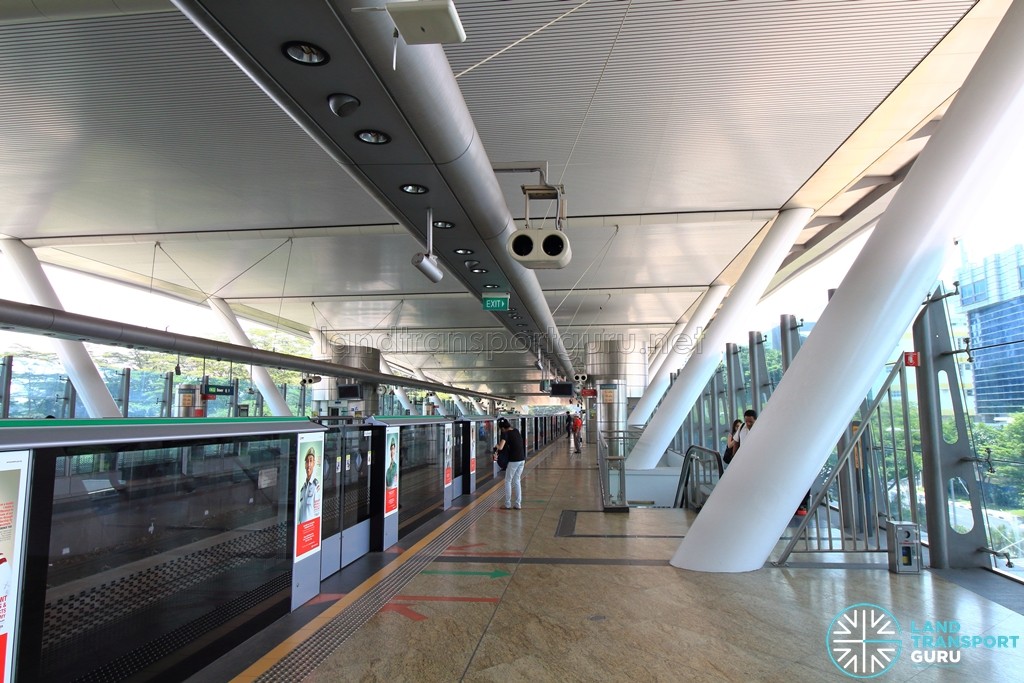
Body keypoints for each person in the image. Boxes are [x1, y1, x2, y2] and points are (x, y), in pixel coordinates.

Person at [492, 417, 526, 509]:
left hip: (514, 460)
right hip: (522, 459)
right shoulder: (516, 430)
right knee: (517, 480)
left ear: (502, 428)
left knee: (508, 481)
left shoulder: (505, 434)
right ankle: (518, 504)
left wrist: (496, 445)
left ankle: (507, 504)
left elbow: (501, 447)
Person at [298, 447, 320, 522]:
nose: (309, 465)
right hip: (302, 529)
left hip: (311, 529)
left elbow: (317, 512)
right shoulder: (302, 489)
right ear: (305, 465)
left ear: (314, 463)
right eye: (307, 462)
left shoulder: (316, 486)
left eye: (311, 461)